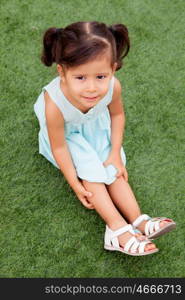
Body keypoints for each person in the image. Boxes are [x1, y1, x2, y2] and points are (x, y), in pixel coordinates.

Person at [34, 21, 176, 256]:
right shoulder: (54, 105)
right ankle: (116, 229)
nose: (92, 88)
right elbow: (59, 147)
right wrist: (75, 184)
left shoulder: (113, 86)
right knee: (92, 175)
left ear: (114, 67)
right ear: (62, 72)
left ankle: (139, 220)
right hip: (67, 137)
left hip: (96, 129)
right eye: (80, 78)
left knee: (113, 170)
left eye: (101, 76)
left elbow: (117, 115)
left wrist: (114, 153)